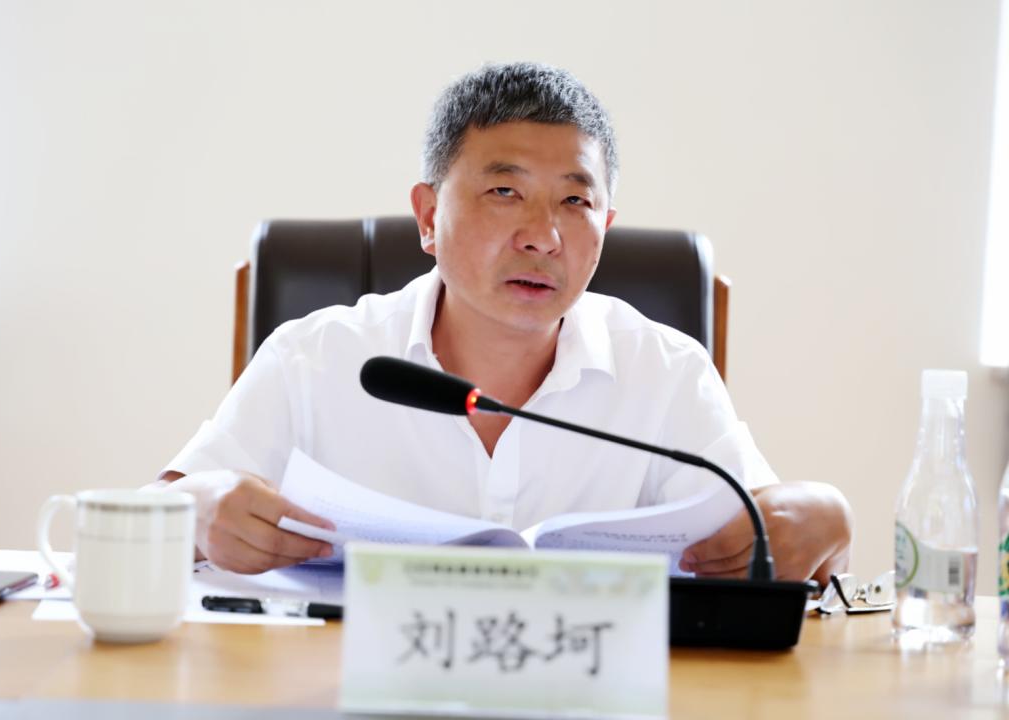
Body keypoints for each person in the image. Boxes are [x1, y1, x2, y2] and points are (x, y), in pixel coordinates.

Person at [150, 62, 852, 583]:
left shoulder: (667, 373)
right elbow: (154, 515)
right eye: (505, 191)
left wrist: (825, 520)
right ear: (429, 216)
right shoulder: (316, 357)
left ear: (605, 226)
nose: (543, 237)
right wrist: (197, 512)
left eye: (575, 203)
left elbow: (770, 532)